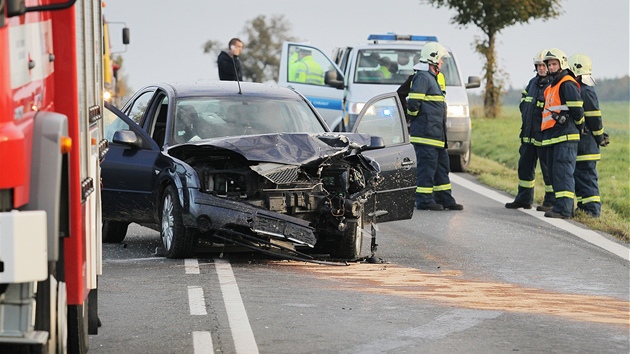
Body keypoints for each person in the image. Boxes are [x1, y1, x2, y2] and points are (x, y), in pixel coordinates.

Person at [407, 42, 463, 211]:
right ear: (433, 59)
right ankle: (424, 200)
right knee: (426, 169)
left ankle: (445, 198)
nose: (442, 63)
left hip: (437, 135)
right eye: (441, 60)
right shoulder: (423, 77)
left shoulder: (433, 78)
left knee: (441, 168)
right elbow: (413, 104)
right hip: (425, 135)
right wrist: (418, 121)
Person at [505, 49, 554, 210]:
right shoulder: (532, 83)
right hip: (527, 136)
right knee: (524, 168)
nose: (541, 68)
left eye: (543, 65)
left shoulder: (553, 84)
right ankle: (524, 199)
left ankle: (550, 202)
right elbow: (524, 105)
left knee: (548, 171)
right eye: (538, 65)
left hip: (544, 136)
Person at [540, 48, 584, 219]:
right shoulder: (551, 86)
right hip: (553, 137)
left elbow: (577, 109)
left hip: (566, 136)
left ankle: (565, 209)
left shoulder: (566, 82)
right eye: (549, 64)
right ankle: (560, 206)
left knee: (563, 171)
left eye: (553, 64)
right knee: (555, 172)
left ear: (562, 63)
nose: (550, 67)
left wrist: (580, 126)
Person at [568, 53, 609, 217]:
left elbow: (594, 118)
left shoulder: (586, 91)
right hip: (581, 143)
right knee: (580, 176)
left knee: (587, 177)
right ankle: (584, 207)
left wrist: (600, 137)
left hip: (588, 144)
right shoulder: (578, 89)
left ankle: (592, 210)